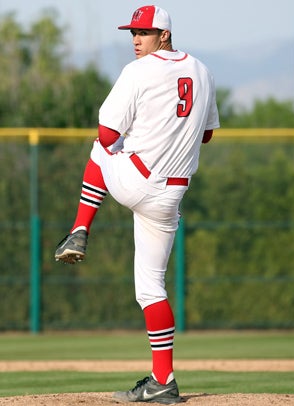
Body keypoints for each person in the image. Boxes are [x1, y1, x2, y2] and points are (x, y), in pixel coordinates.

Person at [55, 4, 219, 404]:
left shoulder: (139, 71)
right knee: (151, 290)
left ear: (164, 35)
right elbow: (207, 136)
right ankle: (163, 380)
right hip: (171, 196)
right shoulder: (202, 70)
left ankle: (79, 230)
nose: (136, 40)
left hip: (139, 181)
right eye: (133, 32)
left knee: (100, 148)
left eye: (144, 33)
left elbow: (107, 130)